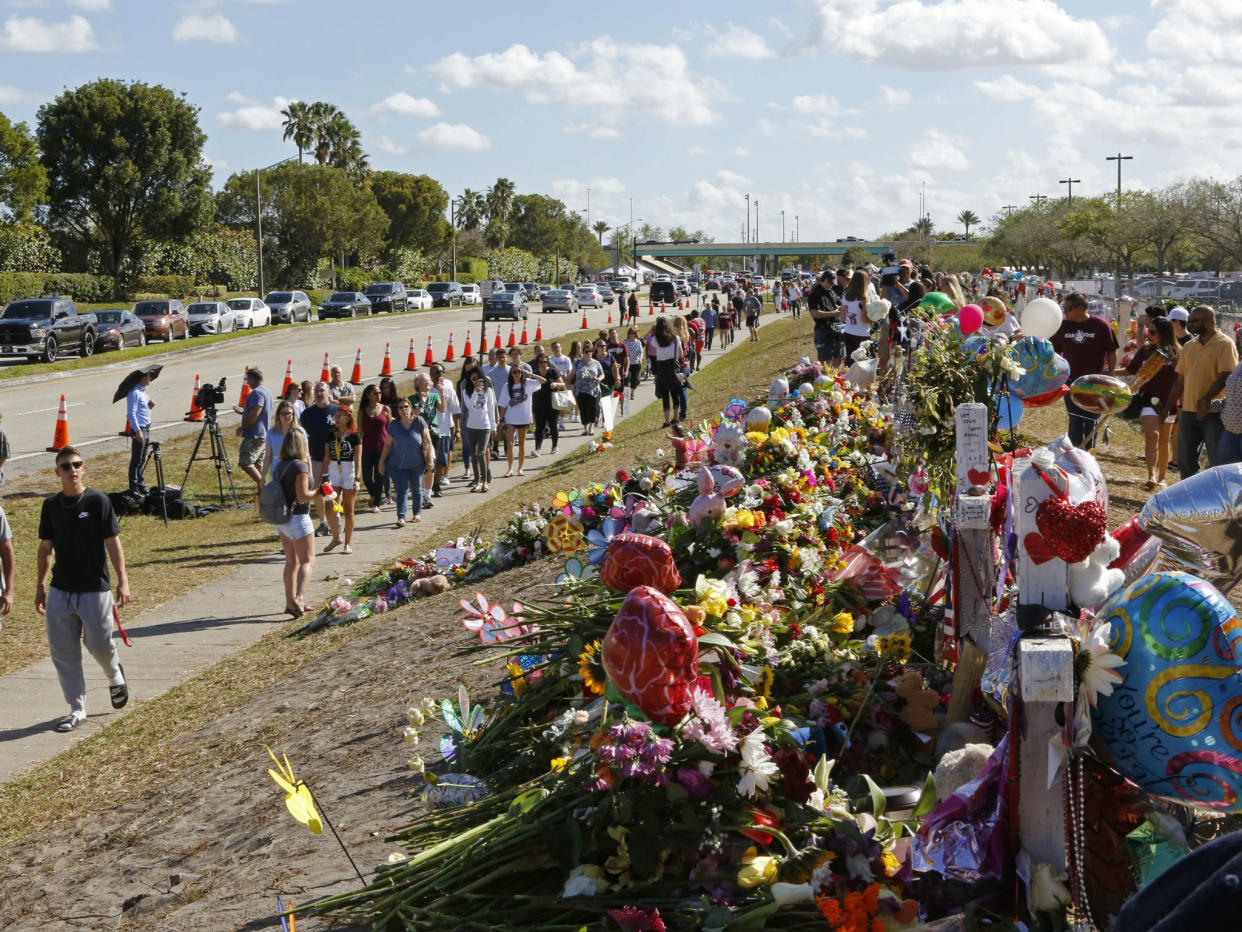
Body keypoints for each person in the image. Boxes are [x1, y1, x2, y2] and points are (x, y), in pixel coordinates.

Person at [36, 447, 130, 733]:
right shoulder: (51, 506)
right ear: (58, 473)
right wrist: (40, 586)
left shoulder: (99, 501)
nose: (72, 470)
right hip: (61, 590)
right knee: (63, 652)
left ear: (84, 469)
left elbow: (113, 542)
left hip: (94, 589)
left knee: (99, 644)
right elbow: (45, 547)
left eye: (77, 464)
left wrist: (123, 579)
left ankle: (114, 675)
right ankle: (77, 708)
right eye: (66, 466)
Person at [1162, 305, 1239, 477]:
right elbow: (1180, 380)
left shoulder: (1225, 344)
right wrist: (1167, 407)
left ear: (1208, 321)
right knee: (1185, 460)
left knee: (1217, 461)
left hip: (1213, 413)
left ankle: (1217, 499)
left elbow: (1226, 375)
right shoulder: (1189, 346)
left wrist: (1205, 400)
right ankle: (1192, 499)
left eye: (1195, 321)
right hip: (1188, 412)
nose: (1191, 324)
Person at [1051, 292, 1119, 450]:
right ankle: (1074, 456)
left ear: (1080, 308)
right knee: (1075, 420)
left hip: (1096, 383)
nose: (1065, 311)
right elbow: (1053, 351)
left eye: (1067, 308)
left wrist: (1110, 376)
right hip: (1071, 382)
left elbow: (1112, 350)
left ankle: (1088, 454)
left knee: (1092, 421)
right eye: (1064, 308)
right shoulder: (1063, 326)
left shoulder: (1101, 326)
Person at [1126, 317, 1180, 490]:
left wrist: (1180, 405)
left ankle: (1163, 477)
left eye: (1153, 332)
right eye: (1149, 331)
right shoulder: (1145, 351)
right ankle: (1151, 475)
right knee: (1152, 436)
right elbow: (1130, 370)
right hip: (1148, 401)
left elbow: (1183, 380)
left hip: (1169, 403)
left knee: (1164, 441)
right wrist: (1107, 373)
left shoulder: (1178, 353)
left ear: (1164, 333)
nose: (1149, 335)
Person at [272, 429, 320, 617]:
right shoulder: (300, 467)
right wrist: (320, 492)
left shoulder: (280, 466)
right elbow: (303, 496)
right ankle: (299, 598)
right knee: (308, 560)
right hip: (298, 518)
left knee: (291, 561)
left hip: (282, 519)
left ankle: (289, 602)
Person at [378, 397, 433, 527]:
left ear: (411, 408)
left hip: (417, 463)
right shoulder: (394, 425)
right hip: (398, 464)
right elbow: (388, 445)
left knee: (416, 489)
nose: (404, 410)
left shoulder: (419, 422)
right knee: (401, 490)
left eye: (406, 407)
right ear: (397, 410)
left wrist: (430, 460)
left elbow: (428, 443)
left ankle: (416, 513)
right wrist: (382, 461)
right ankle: (401, 517)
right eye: (400, 408)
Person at [322, 406, 362, 554]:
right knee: (329, 507)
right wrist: (324, 477)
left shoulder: (355, 435)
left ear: (348, 418)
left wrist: (357, 479)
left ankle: (348, 542)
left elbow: (358, 459)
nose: (337, 419)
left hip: (349, 471)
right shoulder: (331, 435)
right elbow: (326, 457)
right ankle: (336, 537)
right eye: (336, 416)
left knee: (348, 510)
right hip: (334, 471)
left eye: (341, 416)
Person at [299, 382, 338, 536]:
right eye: (317, 391)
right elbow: (303, 434)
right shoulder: (308, 414)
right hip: (315, 457)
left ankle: (335, 518)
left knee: (335, 490)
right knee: (318, 490)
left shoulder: (337, 411)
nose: (319, 393)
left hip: (335, 459)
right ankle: (323, 522)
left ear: (329, 392)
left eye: (322, 390)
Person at [497, 362, 544, 476]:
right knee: (509, 443)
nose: (517, 374)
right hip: (511, 419)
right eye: (514, 372)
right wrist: (501, 419)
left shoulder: (528, 383)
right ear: (511, 374)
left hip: (524, 418)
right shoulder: (506, 386)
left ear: (522, 372)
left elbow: (543, 381)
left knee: (522, 444)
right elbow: (503, 404)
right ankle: (510, 468)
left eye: (519, 371)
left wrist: (529, 373)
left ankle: (520, 468)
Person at [236, 368, 275, 501]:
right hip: (264, 433)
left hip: (254, 434)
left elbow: (255, 412)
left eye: (248, 379)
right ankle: (261, 495)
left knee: (246, 462)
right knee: (258, 465)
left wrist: (243, 427)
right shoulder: (267, 391)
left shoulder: (256, 393)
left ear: (254, 378)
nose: (247, 383)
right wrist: (244, 412)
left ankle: (265, 489)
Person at [409, 373, 444, 510]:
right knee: (421, 467)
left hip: (433, 434)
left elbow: (442, 409)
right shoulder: (412, 399)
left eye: (429, 382)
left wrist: (441, 394)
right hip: (419, 435)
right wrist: (422, 403)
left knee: (431, 465)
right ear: (418, 384)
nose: (428, 384)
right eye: (425, 382)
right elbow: (414, 414)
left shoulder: (434, 396)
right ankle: (422, 494)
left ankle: (427, 496)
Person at [462, 367, 498, 492]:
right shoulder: (466, 392)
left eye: (478, 378)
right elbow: (470, 407)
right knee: (474, 454)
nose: (476, 381)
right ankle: (476, 481)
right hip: (471, 426)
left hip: (485, 426)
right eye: (473, 379)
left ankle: (484, 481)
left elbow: (491, 409)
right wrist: (475, 392)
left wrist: (494, 427)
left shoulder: (488, 391)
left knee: (481, 452)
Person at [358, 384, 391, 513]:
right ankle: (373, 495)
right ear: (368, 395)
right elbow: (359, 431)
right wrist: (357, 447)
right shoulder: (362, 411)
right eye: (375, 393)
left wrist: (391, 446)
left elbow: (389, 429)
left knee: (379, 476)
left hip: (382, 449)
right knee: (366, 477)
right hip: (367, 448)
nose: (379, 395)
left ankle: (376, 503)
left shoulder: (385, 409)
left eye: (379, 393)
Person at [430, 363, 459, 496]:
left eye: (442, 372)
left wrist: (457, 429)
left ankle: (436, 485)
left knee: (441, 460)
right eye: (437, 372)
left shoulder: (448, 387)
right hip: (428, 431)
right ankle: (427, 487)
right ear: (431, 375)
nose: (440, 375)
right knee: (429, 461)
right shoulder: (426, 389)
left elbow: (455, 408)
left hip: (444, 430)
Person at [651, 316, 685, 427]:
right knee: (675, 394)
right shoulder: (676, 339)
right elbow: (681, 355)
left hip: (662, 369)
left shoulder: (656, 340)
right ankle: (675, 418)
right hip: (673, 368)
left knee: (665, 396)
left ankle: (666, 421)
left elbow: (656, 351)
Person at [125, 371, 155, 495]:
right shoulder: (134, 393)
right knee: (136, 460)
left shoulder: (143, 392)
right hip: (140, 429)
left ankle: (141, 484)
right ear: (143, 377)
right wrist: (137, 431)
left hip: (147, 428)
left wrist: (151, 405)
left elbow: (145, 408)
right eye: (149, 376)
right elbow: (131, 414)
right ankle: (134, 488)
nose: (150, 378)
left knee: (142, 459)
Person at [263, 400, 307, 483]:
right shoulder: (271, 433)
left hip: (296, 474)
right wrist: (263, 477)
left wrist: (309, 474)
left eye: (289, 413)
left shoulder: (300, 432)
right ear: (278, 415)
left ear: (293, 414)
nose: (286, 416)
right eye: (283, 413)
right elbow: (268, 456)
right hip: (277, 474)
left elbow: (306, 455)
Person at [531, 352, 564, 456]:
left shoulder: (553, 371)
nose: (543, 364)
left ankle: (555, 446)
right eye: (541, 362)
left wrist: (556, 384)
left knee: (553, 425)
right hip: (539, 404)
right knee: (539, 427)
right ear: (538, 363)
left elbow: (563, 384)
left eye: (545, 362)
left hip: (552, 403)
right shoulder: (535, 373)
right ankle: (537, 448)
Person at [807, 270, 842, 366]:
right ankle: (825, 379)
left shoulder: (831, 291)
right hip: (823, 329)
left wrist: (839, 308)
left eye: (833, 283)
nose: (831, 285)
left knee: (838, 355)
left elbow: (837, 304)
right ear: (824, 280)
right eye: (830, 282)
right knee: (825, 360)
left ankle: (836, 378)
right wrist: (832, 313)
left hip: (836, 328)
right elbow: (814, 313)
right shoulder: (815, 294)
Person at [574, 342, 605, 435]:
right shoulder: (578, 362)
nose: (588, 353)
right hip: (580, 390)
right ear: (583, 352)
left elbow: (602, 374)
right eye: (586, 351)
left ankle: (591, 427)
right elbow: (572, 373)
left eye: (590, 351)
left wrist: (599, 379)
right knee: (583, 409)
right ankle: (585, 428)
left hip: (593, 389)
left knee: (592, 408)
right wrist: (566, 381)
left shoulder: (596, 363)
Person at [840, 270, 872, 358]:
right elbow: (865, 320)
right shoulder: (864, 298)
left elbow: (842, 319)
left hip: (848, 332)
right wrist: (873, 319)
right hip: (862, 333)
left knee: (851, 360)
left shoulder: (845, 297)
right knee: (866, 360)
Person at [623, 327, 645, 401]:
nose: (631, 335)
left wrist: (641, 359)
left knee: (634, 380)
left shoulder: (638, 342)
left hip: (636, 363)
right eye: (630, 334)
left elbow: (641, 352)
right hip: (627, 364)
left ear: (635, 335)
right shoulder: (625, 342)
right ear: (628, 334)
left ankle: (632, 393)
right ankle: (626, 395)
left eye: (633, 334)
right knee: (626, 379)